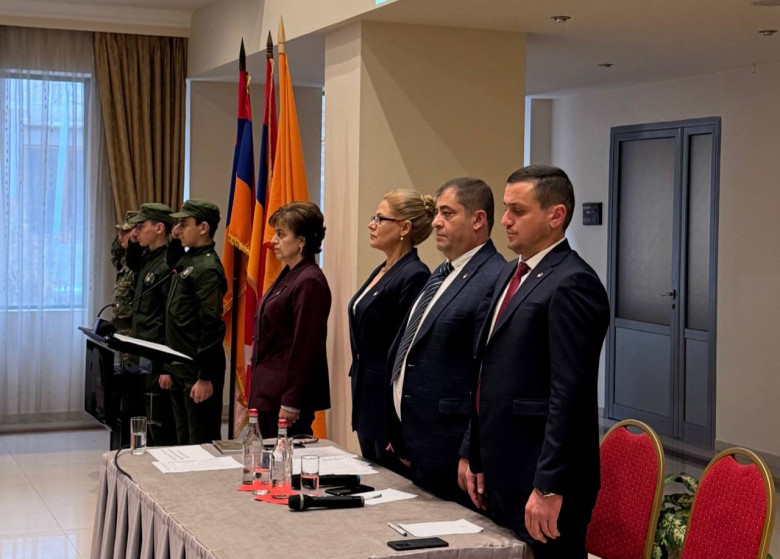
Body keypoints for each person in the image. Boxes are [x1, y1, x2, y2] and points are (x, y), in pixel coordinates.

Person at [463, 165, 610, 559]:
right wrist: (473, 453)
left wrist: (549, 486)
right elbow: (486, 374)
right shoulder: (511, 273)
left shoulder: (573, 282)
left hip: (542, 480)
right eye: (506, 209)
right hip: (502, 469)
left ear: (555, 215)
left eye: (518, 211)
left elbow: (570, 395)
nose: (505, 221)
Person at [386, 177, 505, 503]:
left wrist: (470, 451)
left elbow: (485, 377)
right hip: (417, 444)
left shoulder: (493, 277)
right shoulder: (442, 272)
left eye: (447, 213)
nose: (436, 221)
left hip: (451, 452)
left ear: (478, 219)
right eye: (437, 212)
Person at [348, 189, 434, 469]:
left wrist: (398, 423)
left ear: (404, 228)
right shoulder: (384, 269)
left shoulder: (415, 274)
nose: (371, 224)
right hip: (366, 399)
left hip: (386, 407)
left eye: (379, 218)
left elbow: (406, 352)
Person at [248, 201, 331, 439]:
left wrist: (291, 401)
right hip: (268, 391)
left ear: (301, 241)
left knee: (282, 459)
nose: (273, 240)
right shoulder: (290, 273)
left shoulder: (309, 281)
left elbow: (306, 347)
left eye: (281, 234)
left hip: (285, 395)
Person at [166, 199, 227, 445]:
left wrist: (204, 377)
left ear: (203, 228)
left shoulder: (208, 268)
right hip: (181, 364)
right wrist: (174, 240)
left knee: (200, 444)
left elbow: (212, 326)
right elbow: (172, 262)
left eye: (184, 224)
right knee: (183, 441)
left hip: (197, 368)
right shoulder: (190, 258)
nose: (178, 230)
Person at [126, 203, 177, 446]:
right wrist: (133, 242)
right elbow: (132, 264)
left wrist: (167, 366)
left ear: (159, 228)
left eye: (141, 226)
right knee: (143, 415)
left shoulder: (167, 263)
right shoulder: (149, 256)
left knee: (158, 421)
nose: (137, 231)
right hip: (142, 350)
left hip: (157, 354)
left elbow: (169, 318)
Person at [110, 211, 138, 336]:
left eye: (126, 231)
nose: (120, 235)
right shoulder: (125, 261)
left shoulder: (139, 266)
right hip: (120, 332)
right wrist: (122, 237)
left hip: (132, 335)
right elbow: (115, 256)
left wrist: (133, 240)